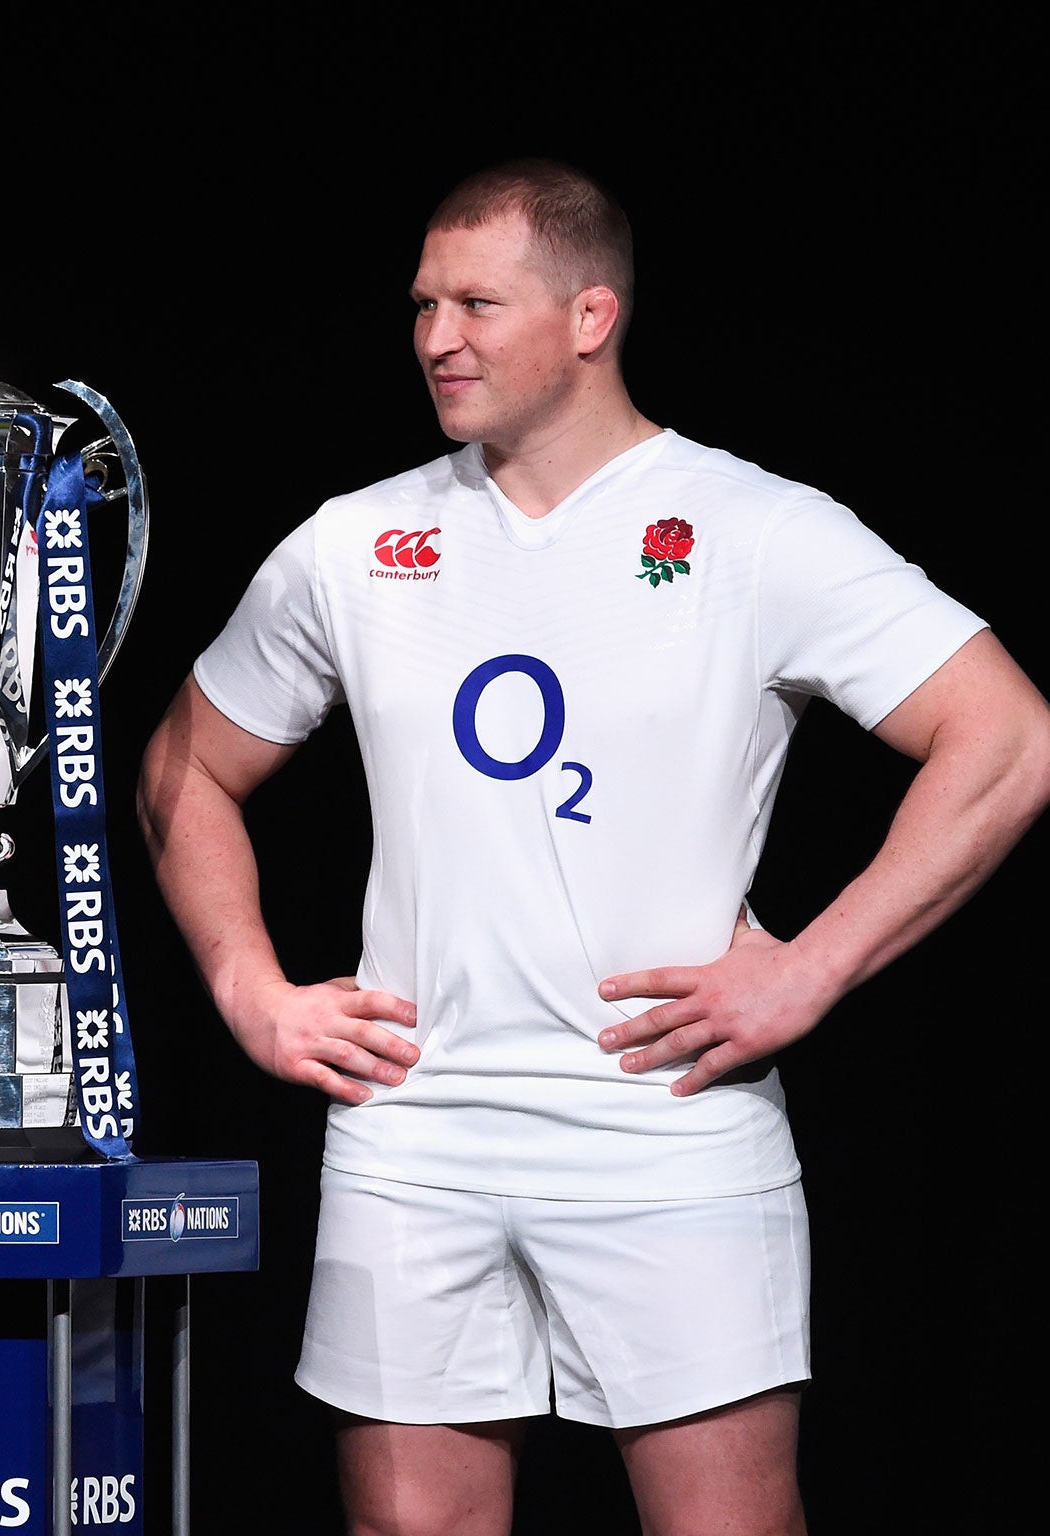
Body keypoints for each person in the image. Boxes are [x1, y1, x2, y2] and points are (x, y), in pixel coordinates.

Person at [134, 158, 1050, 1535]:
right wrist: (250, 989)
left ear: (590, 315)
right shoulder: (358, 541)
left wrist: (810, 971)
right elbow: (184, 766)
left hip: (662, 1127)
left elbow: (1009, 738)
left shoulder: (754, 531)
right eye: (423, 304)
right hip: (415, 1133)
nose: (437, 337)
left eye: (478, 303)